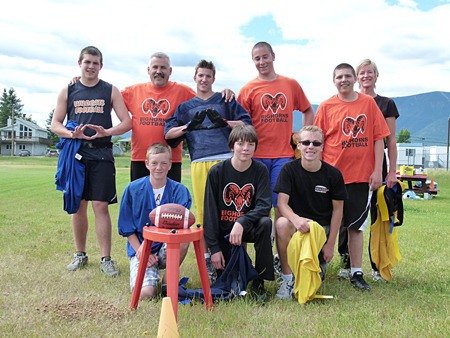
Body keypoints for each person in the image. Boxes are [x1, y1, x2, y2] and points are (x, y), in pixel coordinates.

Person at [164, 59, 253, 282]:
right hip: (200, 161)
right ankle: (208, 261)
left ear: (214, 79)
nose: (204, 80)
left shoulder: (224, 100)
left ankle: (236, 259)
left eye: (208, 76)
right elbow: (168, 135)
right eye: (200, 76)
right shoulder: (185, 108)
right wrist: (188, 126)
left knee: (233, 210)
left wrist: (225, 122)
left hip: (226, 160)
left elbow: (247, 125)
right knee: (205, 214)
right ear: (194, 77)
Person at [51, 46, 132, 277]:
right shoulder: (68, 90)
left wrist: (107, 131)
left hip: (102, 153)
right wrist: (70, 134)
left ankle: (106, 258)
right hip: (77, 153)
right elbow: (55, 123)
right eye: (87, 62)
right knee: (78, 205)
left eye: (95, 63)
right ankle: (80, 254)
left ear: (101, 66)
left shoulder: (110, 90)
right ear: (79, 63)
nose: (91, 66)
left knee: (101, 206)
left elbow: (127, 122)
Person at [314, 63, 390, 290]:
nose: (343, 80)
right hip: (332, 175)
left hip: (360, 175)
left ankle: (357, 272)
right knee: (323, 223)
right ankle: (318, 266)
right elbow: (317, 141)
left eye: (348, 76)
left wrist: (377, 171)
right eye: (339, 76)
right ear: (333, 80)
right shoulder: (327, 106)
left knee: (356, 226)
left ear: (355, 78)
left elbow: (379, 138)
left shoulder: (368, 104)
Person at [237, 41, 315, 243]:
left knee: (281, 207)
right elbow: (240, 125)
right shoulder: (248, 89)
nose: (261, 61)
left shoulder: (290, 84)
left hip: (283, 156)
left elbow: (307, 109)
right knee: (256, 208)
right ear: (253, 61)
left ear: (273, 56)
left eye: (265, 56)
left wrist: (304, 135)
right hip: (257, 157)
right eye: (257, 58)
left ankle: (281, 259)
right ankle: (261, 256)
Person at [122, 52, 235, 182]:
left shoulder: (183, 91)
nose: (159, 71)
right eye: (155, 67)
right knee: (140, 199)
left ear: (170, 71)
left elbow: (205, 99)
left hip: (171, 160)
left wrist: (225, 93)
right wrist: (122, 122)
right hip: (140, 158)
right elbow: (110, 98)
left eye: (163, 68)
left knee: (171, 201)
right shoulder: (133, 91)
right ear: (148, 70)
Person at [273, 126, 346, 299]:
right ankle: (287, 279)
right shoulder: (288, 170)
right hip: (296, 227)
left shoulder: (333, 175)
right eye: (305, 142)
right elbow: (282, 204)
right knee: (282, 223)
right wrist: (297, 220)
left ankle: (313, 266)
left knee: (313, 280)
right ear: (298, 146)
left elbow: (338, 211)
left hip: (320, 231)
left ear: (322, 146)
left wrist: (330, 245)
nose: (310, 146)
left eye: (316, 143)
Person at [203, 125, 274, 301]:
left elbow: (264, 205)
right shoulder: (217, 172)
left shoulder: (260, 170)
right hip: (225, 231)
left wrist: (242, 221)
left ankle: (259, 282)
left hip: (247, 227)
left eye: (250, 144)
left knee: (266, 223)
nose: (245, 148)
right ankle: (226, 271)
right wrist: (214, 249)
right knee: (230, 286)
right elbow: (210, 214)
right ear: (231, 146)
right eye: (240, 143)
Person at [118, 143, 192, 299]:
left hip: (168, 246)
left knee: (184, 239)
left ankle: (169, 279)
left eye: (164, 163)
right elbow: (126, 227)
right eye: (154, 163)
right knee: (145, 294)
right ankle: (147, 277)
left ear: (170, 165)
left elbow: (181, 224)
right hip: (142, 248)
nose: (159, 167)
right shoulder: (132, 189)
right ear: (147, 164)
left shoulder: (180, 191)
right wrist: (142, 250)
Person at [357, 59, 400, 282]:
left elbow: (391, 141)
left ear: (376, 75)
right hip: (352, 163)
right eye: (362, 72)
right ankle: (348, 262)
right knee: (350, 213)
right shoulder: (351, 102)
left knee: (377, 215)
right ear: (357, 77)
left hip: (377, 164)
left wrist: (391, 172)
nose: (366, 76)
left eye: (370, 72)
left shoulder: (386, 104)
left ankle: (376, 264)